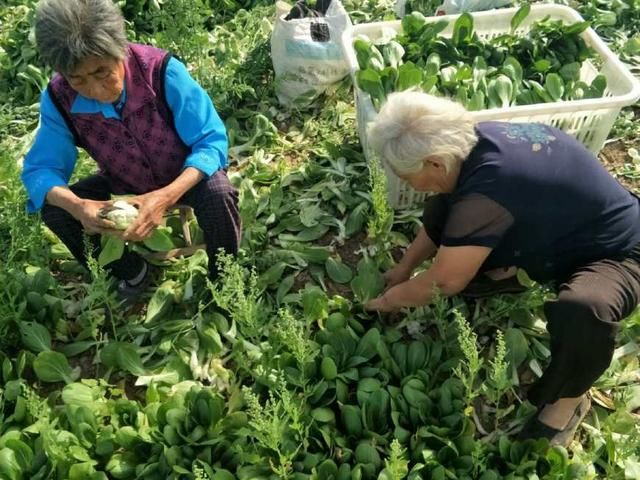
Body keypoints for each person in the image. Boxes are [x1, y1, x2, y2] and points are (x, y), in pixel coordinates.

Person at [364, 90, 640, 446]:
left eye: (405, 174)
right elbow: (445, 215)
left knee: (584, 310)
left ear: (434, 163)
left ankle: (569, 401)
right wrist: (403, 270)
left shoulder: (489, 188)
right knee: (444, 209)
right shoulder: (469, 143)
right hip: (560, 231)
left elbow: (444, 282)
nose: (403, 182)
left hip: (618, 251)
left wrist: (388, 301)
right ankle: (511, 273)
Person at [22, 0, 241, 299]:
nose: (96, 90)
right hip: (124, 184)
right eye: (78, 79)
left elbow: (210, 141)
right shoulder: (60, 99)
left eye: (102, 72)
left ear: (119, 51)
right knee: (55, 209)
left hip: (183, 174)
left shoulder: (161, 73)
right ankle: (132, 271)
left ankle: (226, 279)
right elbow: (41, 170)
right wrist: (79, 207)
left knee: (218, 194)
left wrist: (164, 198)